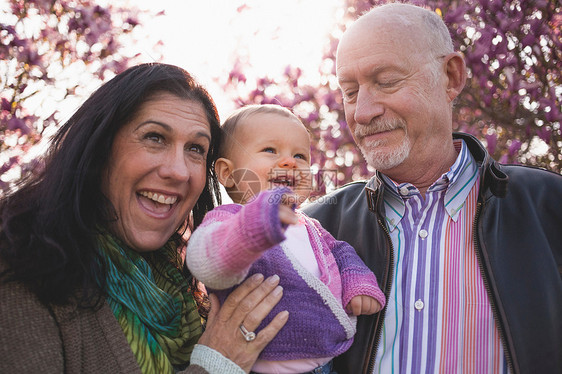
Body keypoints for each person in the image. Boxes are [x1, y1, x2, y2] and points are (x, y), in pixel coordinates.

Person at [302, 3, 562, 374]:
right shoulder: (314, 231)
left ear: (451, 76)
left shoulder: (551, 207)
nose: (362, 112)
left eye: (386, 81)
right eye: (349, 91)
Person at [0, 63, 289, 374]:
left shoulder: (185, 288)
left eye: (195, 148)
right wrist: (216, 366)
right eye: (155, 138)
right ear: (99, 148)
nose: (178, 171)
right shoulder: (19, 272)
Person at [185, 104, 386, 374]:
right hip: (253, 364)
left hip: (326, 364)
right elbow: (205, 259)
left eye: (300, 155)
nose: (290, 162)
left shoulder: (312, 228)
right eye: (270, 150)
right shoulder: (229, 221)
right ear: (227, 173)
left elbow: (342, 254)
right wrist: (252, 227)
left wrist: (358, 284)